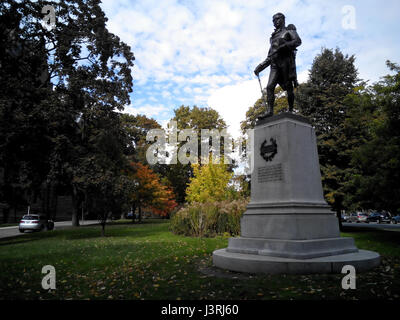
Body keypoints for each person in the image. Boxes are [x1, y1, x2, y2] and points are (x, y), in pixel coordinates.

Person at [254, 13, 302, 118]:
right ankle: (270, 111)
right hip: (275, 65)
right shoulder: (272, 38)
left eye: (277, 19)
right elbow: (270, 56)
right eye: (273, 20)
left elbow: (298, 41)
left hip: (286, 64)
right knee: (269, 87)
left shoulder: (289, 31)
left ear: (283, 19)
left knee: (289, 87)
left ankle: (290, 109)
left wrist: (285, 45)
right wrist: (260, 66)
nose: (275, 22)